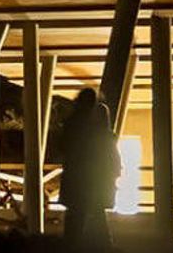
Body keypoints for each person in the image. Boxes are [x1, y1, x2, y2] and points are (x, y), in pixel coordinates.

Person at [58, 88, 119, 247]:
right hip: (93, 179)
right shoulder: (98, 128)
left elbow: (63, 148)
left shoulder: (72, 125)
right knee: (96, 213)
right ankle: (104, 245)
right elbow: (107, 153)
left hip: (76, 178)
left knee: (75, 215)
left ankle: (71, 245)